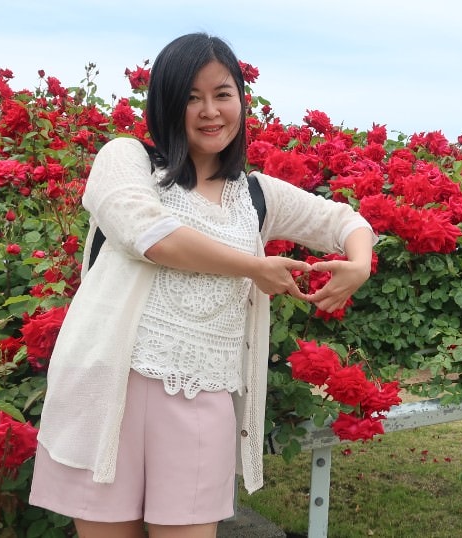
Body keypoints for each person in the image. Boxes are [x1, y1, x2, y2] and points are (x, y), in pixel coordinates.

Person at [29, 33, 375, 538]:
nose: (210, 111)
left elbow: (343, 220)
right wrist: (252, 267)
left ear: (241, 100)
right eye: (192, 97)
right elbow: (149, 235)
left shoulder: (255, 194)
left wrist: (359, 264)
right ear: (166, 104)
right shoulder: (127, 160)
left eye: (222, 94)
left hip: (204, 396)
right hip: (109, 392)